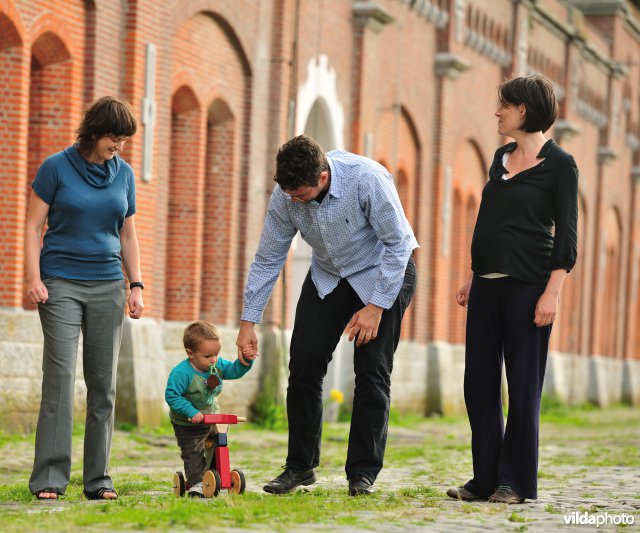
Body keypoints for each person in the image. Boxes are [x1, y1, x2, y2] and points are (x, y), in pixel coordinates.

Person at [236, 135, 418, 496]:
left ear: (321, 178)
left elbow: (399, 245)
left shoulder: (366, 178)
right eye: (289, 195)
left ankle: (362, 474)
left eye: (300, 195)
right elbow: (269, 257)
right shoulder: (287, 194)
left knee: (371, 371)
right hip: (329, 275)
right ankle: (300, 467)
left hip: (384, 271)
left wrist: (376, 307)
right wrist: (248, 323)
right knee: (303, 364)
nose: (293, 201)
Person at [447, 75, 578, 505]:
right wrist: (472, 274)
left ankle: (515, 483)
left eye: (504, 105)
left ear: (524, 110)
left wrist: (552, 292)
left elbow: (566, 237)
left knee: (522, 388)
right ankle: (484, 479)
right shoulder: (501, 157)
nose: (497, 112)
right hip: (486, 286)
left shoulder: (561, 165)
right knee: (478, 384)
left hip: (529, 288)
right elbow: (489, 220)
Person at [25, 96, 145, 501]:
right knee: (58, 381)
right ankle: (48, 478)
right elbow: (32, 225)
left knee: (103, 385)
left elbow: (127, 235)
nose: (120, 146)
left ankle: (99, 479)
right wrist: (34, 278)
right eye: (115, 137)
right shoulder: (55, 167)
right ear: (94, 131)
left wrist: (137, 285)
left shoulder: (124, 174)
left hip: (108, 284)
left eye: (125, 140)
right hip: (59, 283)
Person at [165, 321, 255, 497]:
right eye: (207, 356)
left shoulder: (216, 365)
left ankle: (216, 475)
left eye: (216, 354)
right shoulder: (182, 373)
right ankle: (197, 483)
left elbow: (233, 370)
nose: (214, 359)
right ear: (190, 353)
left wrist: (246, 361)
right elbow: (172, 396)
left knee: (219, 444)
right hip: (188, 423)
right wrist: (191, 412)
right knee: (194, 451)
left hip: (212, 419)